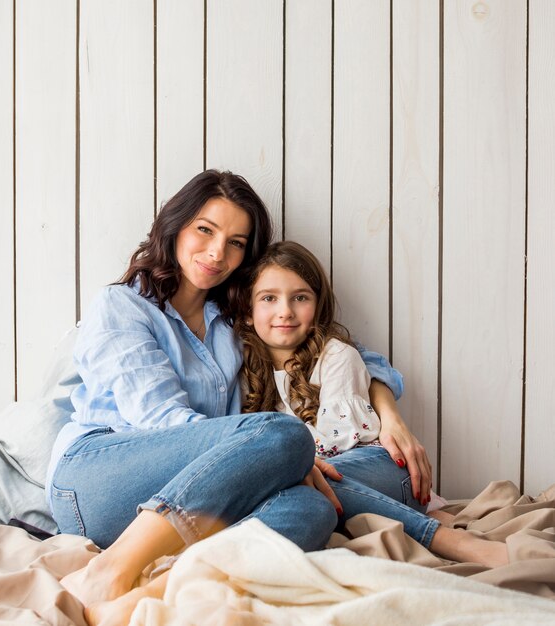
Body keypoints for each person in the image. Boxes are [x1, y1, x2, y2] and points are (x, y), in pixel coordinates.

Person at [47, 171, 433, 624]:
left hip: (200, 496)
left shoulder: (233, 320)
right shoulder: (122, 306)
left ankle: (153, 593)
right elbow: (161, 418)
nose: (216, 253)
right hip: (97, 479)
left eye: (235, 242)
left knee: (311, 508)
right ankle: (110, 570)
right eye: (205, 230)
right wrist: (271, 451)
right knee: (287, 437)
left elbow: (350, 353)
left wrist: (389, 415)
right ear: (175, 226)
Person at [234, 240, 508, 566]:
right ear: (248, 313)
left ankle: (446, 540)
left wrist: (277, 463)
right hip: (322, 484)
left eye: (300, 297)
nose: (285, 311)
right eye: (269, 298)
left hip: (381, 467)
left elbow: (334, 446)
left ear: (318, 306)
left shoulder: (337, 356)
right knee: (295, 493)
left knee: (301, 479)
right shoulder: (247, 372)